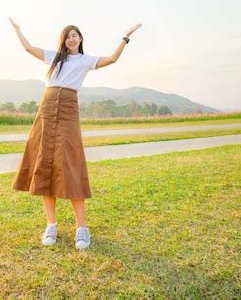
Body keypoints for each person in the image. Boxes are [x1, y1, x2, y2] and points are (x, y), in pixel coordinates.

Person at [8, 19, 142, 250]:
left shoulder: (86, 61)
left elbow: (112, 59)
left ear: (80, 39)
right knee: (44, 166)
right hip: (47, 109)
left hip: (69, 109)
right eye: (68, 35)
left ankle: (82, 228)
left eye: (75, 35)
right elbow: (29, 48)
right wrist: (18, 30)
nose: (72, 38)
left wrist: (125, 37)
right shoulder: (55, 58)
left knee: (70, 165)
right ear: (64, 39)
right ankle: (51, 225)